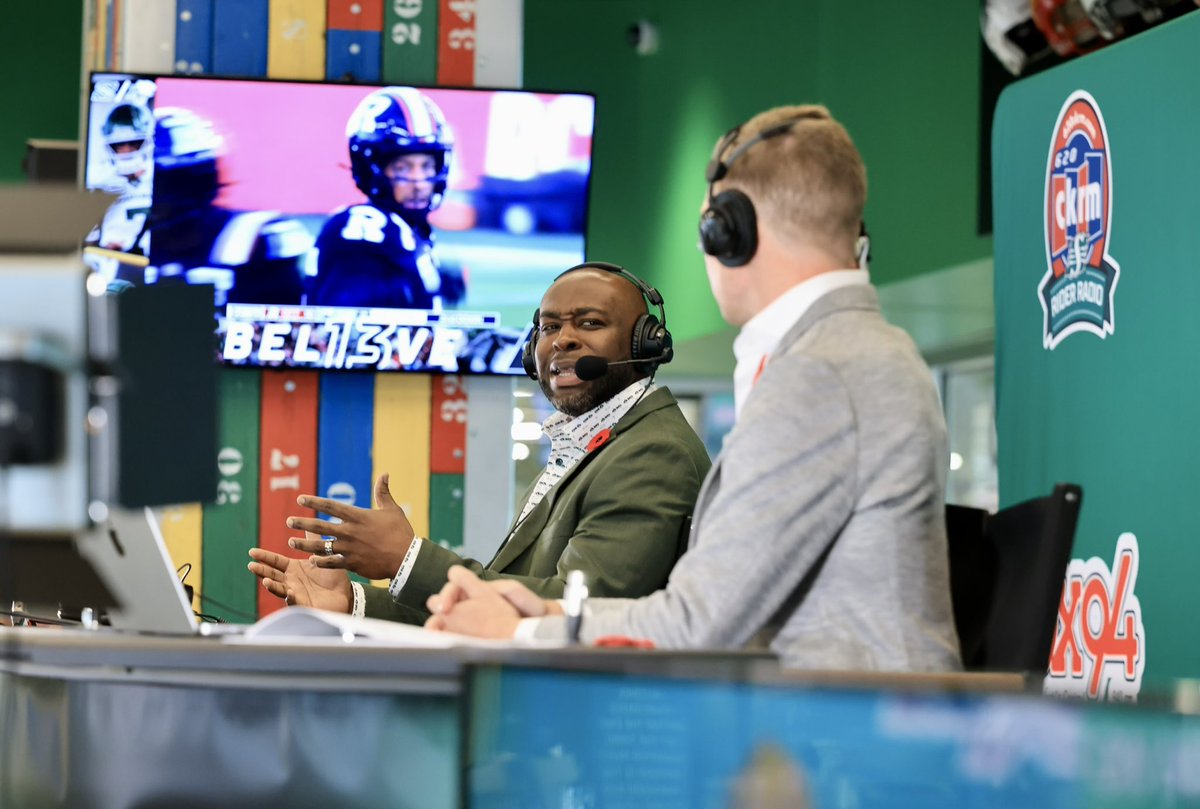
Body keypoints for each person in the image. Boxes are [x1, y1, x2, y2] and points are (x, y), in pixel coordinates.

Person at [425, 105, 963, 673]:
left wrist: (526, 630)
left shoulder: (819, 374)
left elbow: (700, 623)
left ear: (729, 231)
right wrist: (543, 610)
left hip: (843, 737)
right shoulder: (855, 351)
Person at [248, 261, 712, 623]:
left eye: (588, 323)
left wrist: (407, 559)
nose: (563, 340)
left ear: (643, 344)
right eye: (549, 328)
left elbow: (576, 613)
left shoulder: (651, 453)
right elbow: (504, 605)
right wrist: (352, 602)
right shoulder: (590, 446)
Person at [308, 86, 461, 311]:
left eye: (426, 166)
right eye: (402, 168)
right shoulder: (363, 228)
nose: (419, 181)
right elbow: (353, 330)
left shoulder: (403, 230)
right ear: (372, 169)